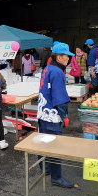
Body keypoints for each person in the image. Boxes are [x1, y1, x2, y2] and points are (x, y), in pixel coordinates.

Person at [37, 42, 74, 188]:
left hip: (42, 112)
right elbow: (59, 97)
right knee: (55, 145)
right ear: (59, 57)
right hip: (51, 113)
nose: (69, 59)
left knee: (43, 141)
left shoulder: (47, 68)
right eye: (67, 56)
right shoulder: (58, 72)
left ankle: (45, 168)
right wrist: (64, 116)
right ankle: (56, 178)